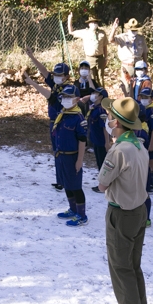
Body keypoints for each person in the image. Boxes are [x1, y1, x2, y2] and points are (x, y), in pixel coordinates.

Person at [97, 97, 150, 304]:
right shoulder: (139, 146)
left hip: (122, 214)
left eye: (109, 116)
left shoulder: (119, 150)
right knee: (133, 267)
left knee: (121, 270)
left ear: (116, 122)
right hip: (139, 211)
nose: (107, 119)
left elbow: (102, 184)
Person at [24, 47, 78, 191]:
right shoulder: (55, 85)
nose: (56, 77)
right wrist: (32, 57)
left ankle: (68, 179)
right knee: (57, 151)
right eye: (56, 74)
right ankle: (60, 180)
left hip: (64, 123)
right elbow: (45, 72)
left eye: (60, 75)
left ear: (67, 76)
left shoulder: (68, 89)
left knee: (65, 152)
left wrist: (33, 83)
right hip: (53, 122)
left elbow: (50, 97)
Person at [52, 84, 89, 227]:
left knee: (76, 186)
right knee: (66, 184)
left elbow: (82, 141)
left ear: (77, 99)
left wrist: (79, 160)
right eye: (64, 97)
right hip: (61, 156)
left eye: (70, 97)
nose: (66, 99)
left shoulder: (78, 118)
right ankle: (73, 209)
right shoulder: (63, 114)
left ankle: (82, 215)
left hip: (72, 156)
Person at [68, 13, 108, 86]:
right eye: (92, 22)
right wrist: (69, 19)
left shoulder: (102, 33)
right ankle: (92, 93)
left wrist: (106, 58)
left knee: (101, 78)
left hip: (100, 58)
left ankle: (102, 94)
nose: (94, 24)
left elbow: (105, 46)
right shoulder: (85, 32)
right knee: (91, 78)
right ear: (89, 24)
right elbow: (71, 32)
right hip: (90, 58)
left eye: (95, 22)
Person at [87, 87, 111, 193]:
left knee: (103, 165)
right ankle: (102, 184)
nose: (92, 94)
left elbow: (104, 127)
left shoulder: (101, 111)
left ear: (101, 97)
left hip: (101, 142)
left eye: (95, 93)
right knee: (99, 163)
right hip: (95, 140)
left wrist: (107, 142)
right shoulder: (94, 107)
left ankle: (105, 185)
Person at [139, 88, 153, 194]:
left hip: (150, 140)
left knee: (151, 162)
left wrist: (151, 144)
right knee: (145, 161)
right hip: (143, 139)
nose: (143, 99)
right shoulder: (142, 108)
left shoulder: (152, 112)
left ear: (152, 99)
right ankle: (147, 181)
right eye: (142, 97)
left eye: (146, 97)